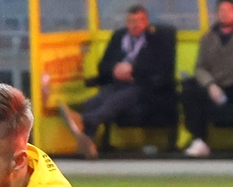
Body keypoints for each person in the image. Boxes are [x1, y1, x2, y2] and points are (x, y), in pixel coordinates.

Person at [59, 4, 175, 159]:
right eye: (131, 21)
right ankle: (89, 144)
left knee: (114, 101)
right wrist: (115, 69)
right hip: (117, 82)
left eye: (139, 21)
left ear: (146, 22)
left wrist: (132, 69)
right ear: (126, 23)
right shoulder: (119, 37)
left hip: (143, 85)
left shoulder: (156, 39)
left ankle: (83, 121)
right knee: (93, 102)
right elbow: (104, 64)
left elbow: (161, 66)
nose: (135, 25)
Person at [181, 0, 233, 157]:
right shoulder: (207, 38)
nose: (224, 14)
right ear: (216, 14)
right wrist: (210, 85)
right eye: (221, 11)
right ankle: (200, 140)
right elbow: (200, 67)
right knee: (189, 89)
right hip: (214, 87)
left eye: (228, 10)